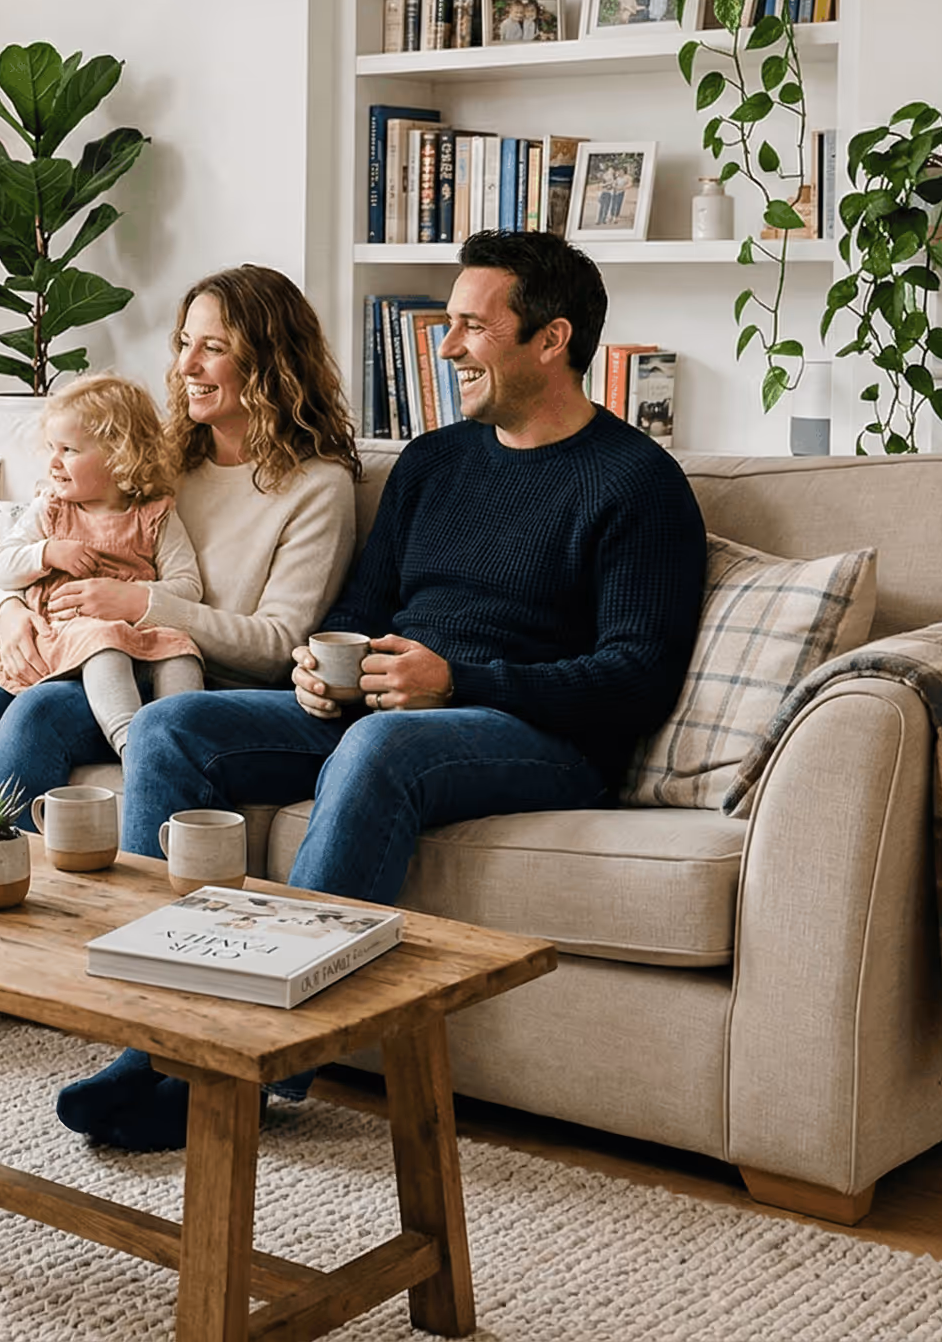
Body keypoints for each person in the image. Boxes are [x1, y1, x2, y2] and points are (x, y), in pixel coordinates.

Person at [54, 228, 708, 1150]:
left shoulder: (638, 483)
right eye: (449, 326)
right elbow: (363, 607)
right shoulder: (434, 463)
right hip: (393, 705)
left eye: (473, 329)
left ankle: (255, 1065)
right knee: (171, 728)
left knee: (383, 745)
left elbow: (634, 679)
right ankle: (157, 1036)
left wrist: (459, 681)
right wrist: (326, 674)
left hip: (535, 733)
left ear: (551, 340)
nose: (448, 349)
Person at [0, 265, 364, 1046]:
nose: (185, 366)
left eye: (214, 349)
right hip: (80, 649)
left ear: (270, 361)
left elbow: (274, 645)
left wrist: (140, 607)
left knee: (37, 715)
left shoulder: (316, 486)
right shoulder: (164, 459)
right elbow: (46, 544)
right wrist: (11, 611)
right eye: (182, 346)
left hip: (190, 687)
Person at [0, 374, 206, 756]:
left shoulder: (154, 515)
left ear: (120, 455)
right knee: (103, 643)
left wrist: (133, 596)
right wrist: (46, 553)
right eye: (51, 447)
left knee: (181, 649)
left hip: (141, 630)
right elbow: (0, 566)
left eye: (68, 450)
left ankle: (184, 739)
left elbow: (188, 587)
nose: (53, 463)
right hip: (71, 634)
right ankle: (132, 743)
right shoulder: (50, 509)